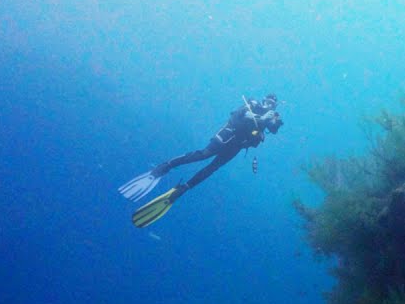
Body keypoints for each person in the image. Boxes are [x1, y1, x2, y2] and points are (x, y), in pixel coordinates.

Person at [119, 94, 284, 227]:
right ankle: (166, 166)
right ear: (263, 100)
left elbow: (274, 130)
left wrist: (272, 121)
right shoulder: (252, 104)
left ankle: (184, 188)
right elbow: (239, 115)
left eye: (273, 104)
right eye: (268, 101)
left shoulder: (270, 117)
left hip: (235, 147)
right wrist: (259, 117)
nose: (269, 105)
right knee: (203, 154)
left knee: (212, 168)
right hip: (225, 138)